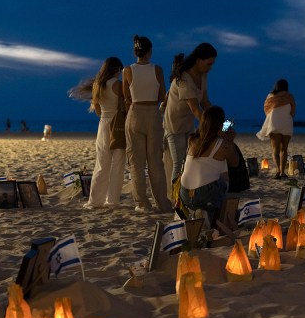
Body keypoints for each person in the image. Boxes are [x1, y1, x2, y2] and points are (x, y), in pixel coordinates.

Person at [122, 35, 170, 213]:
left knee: (136, 162)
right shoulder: (157, 69)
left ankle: (142, 203)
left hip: (135, 113)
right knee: (156, 161)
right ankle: (162, 202)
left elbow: (126, 97)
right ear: (149, 51)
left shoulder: (127, 70)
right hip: (153, 113)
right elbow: (162, 95)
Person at [163, 42, 217, 186]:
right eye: (208, 64)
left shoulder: (203, 75)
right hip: (174, 125)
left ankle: (186, 193)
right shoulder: (184, 79)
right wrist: (209, 127)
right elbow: (195, 108)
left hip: (187, 124)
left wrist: (217, 119)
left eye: (212, 64)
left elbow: (205, 102)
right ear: (198, 60)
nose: (210, 68)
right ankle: (176, 199)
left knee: (189, 161)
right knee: (178, 162)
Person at [179, 105, 239, 230]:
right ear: (219, 124)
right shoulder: (222, 144)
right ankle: (207, 211)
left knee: (218, 165)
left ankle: (197, 211)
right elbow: (235, 163)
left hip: (184, 194)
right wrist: (230, 141)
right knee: (223, 179)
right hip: (203, 195)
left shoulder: (193, 140)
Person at [84, 56, 125, 209]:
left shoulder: (98, 85)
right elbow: (124, 105)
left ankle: (95, 201)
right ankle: (112, 200)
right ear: (117, 70)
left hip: (103, 124)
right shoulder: (118, 84)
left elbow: (98, 112)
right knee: (118, 163)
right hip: (117, 124)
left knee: (101, 164)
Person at [256, 78, 295, 179]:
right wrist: (288, 117)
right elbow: (293, 110)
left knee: (275, 149)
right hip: (286, 123)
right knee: (284, 149)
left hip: (274, 123)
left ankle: (278, 170)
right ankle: (282, 172)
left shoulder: (271, 96)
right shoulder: (289, 96)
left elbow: (266, 108)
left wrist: (271, 117)